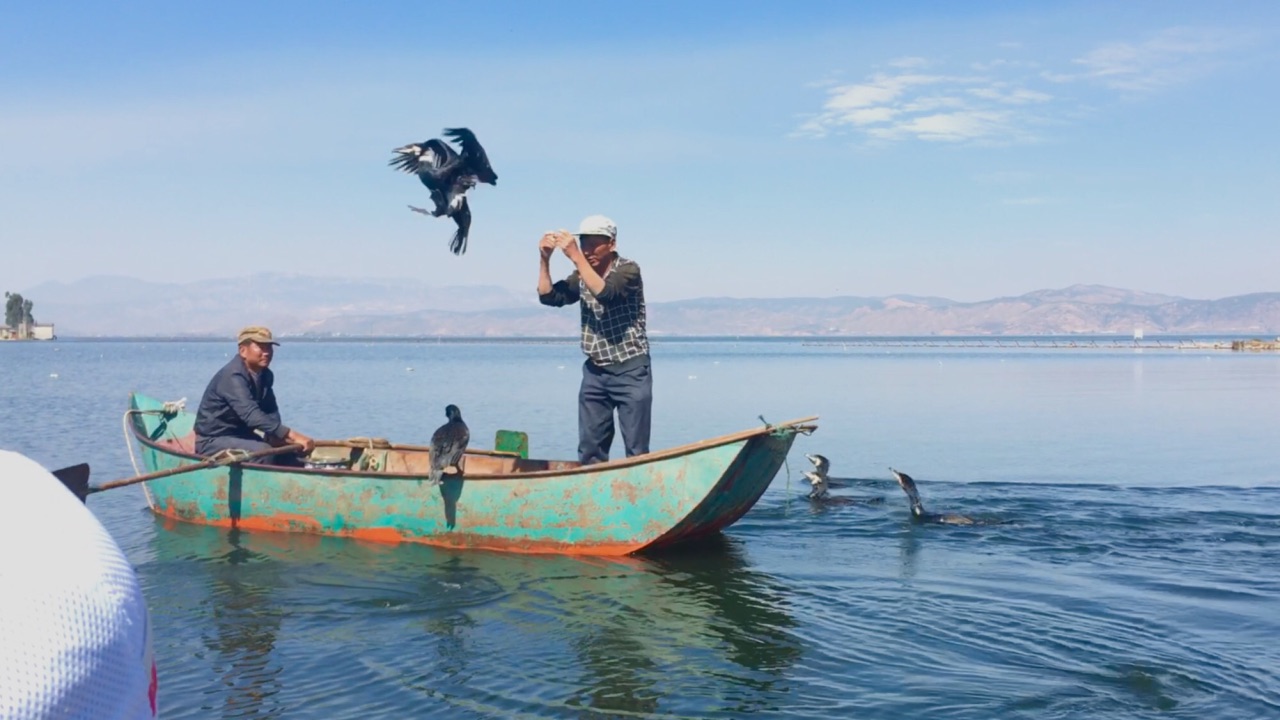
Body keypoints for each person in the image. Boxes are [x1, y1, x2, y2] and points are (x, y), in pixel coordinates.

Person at [538, 214, 652, 465]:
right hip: (595, 372)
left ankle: (637, 492)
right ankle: (593, 496)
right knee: (590, 449)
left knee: (637, 449)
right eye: (584, 243)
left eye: (593, 244)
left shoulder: (628, 270)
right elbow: (548, 296)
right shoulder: (580, 275)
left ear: (611, 244)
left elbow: (607, 293)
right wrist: (545, 259)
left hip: (631, 369)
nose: (587, 250)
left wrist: (576, 256)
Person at [193, 326, 314, 465]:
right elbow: (251, 415)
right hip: (213, 439)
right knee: (263, 452)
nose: (267, 353)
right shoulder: (232, 376)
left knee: (287, 452)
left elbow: (270, 411)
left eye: (269, 348)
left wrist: (276, 436)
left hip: (243, 436)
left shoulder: (265, 375)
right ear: (243, 351)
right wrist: (292, 434)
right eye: (261, 347)